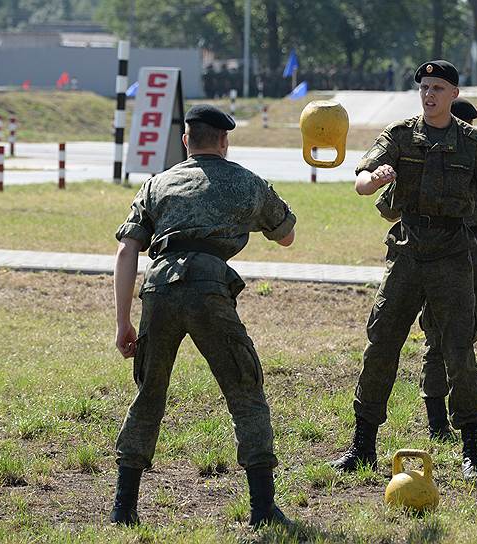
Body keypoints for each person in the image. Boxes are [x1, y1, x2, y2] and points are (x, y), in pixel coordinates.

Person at [331, 60, 477, 483]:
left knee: (459, 350)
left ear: (453, 94)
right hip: (407, 253)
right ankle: (362, 445)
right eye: (424, 87)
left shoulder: (474, 143)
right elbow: (362, 179)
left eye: (438, 88)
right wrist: (372, 178)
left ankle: (472, 453)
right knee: (382, 342)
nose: (429, 94)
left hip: (451, 256)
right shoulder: (401, 135)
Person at [111, 104, 296, 528]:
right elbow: (286, 236)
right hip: (210, 290)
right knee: (245, 390)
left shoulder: (158, 184)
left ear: (185, 141)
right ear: (225, 141)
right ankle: (263, 510)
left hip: (159, 289)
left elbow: (127, 249)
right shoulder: (247, 182)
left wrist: (123, 321)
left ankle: (124, 508)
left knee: (149, 393)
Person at [375, 97, 477, 450]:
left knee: (439, 341)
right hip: (474, 254)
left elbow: (387, 207)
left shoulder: (431, 154)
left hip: (441, 254)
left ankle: (437, 424)